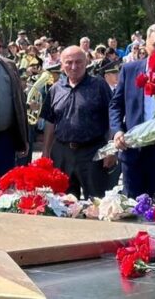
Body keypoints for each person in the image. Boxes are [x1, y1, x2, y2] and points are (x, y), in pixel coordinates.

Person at [41, 46, 116, 199]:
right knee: (62, 203)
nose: (74, 66)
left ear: (86, 62)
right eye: (69, 62)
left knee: (96, 202)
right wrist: (46, 151)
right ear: (62, 65)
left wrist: (111, 149)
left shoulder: (99, 85)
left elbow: (113, 117)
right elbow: (50, 121)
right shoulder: (55, 89)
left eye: (78, 62)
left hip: (93, 153)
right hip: (62, 154)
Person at [109, 24, 155, 198]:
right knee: (131, 207)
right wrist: (117, 131)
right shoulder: (129, 70)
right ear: (145, 45)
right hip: (132, 151)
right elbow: (116, 105)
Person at [0, 28, 29, 177]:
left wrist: (24, 137)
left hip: (5, 138)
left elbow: (19, 102)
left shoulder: (9, 65)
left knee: (6, 183)